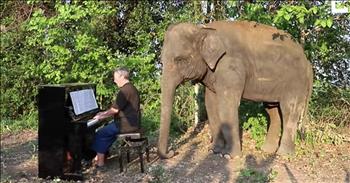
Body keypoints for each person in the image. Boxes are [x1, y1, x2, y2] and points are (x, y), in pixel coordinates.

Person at [91, 67, 140, 167]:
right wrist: (103, 113)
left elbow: (114, 110)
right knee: (107, 131)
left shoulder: (124, 91)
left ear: (122, 76)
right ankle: (99, 157)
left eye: (115, 78)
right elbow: (116, 109)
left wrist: (101, 116)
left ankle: (100, 163)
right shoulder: (130, 87)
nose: (114, 80)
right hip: (131, 122)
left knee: (101, 133)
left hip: (126, 125)